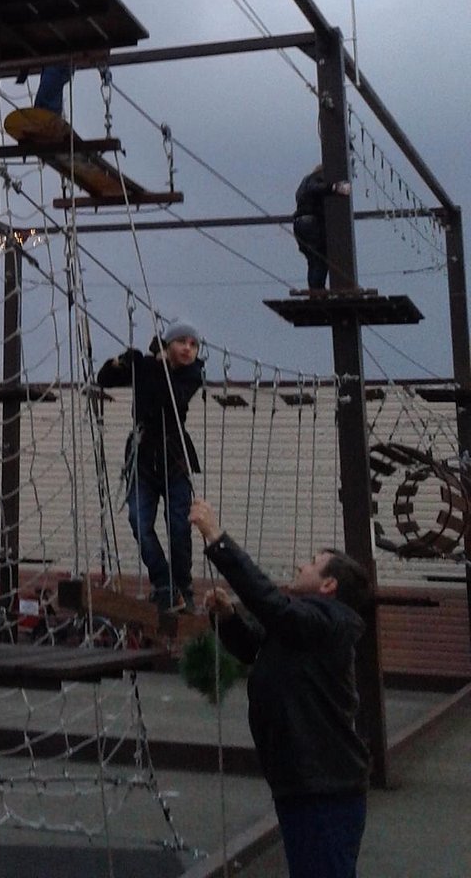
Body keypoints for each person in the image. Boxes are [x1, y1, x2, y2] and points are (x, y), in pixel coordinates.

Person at [189, 497, 371, 878]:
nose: (300, 565)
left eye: (311, 563)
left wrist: (215, 536)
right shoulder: (308, 625)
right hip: (305, 783)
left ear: (328, 584)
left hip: (323, 788)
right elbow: (255, 648)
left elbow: (273, 607)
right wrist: (228, 617)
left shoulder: (330, 621)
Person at [96, 322, 203, 609]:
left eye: (193, 345)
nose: (187, 349)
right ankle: (164, 581)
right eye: (181, 342)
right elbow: (104, 378)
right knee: (139, 523)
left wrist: (156, 365)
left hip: (174, 458)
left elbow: (171, 397)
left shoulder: (192, 374)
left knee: (179, 526)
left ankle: (183, 585)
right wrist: (123, 361)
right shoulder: (145, 366)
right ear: (169, 345)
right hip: (143, 457)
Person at [292, 167, 352, 292]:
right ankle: (318, 290)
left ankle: (316, 289)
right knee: (320, 258)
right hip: (311, 223)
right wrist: (334, 188)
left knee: (313, 259)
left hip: (299, 223)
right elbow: (314, 188)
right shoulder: (315, 179)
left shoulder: (304, 182)